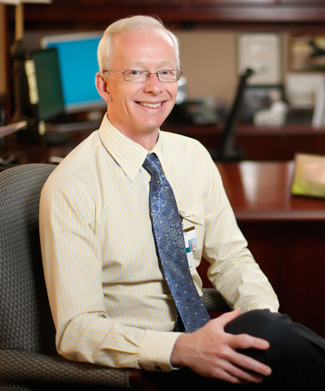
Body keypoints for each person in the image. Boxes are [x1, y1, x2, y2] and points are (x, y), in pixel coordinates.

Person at [39, 15, 325, 389]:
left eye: (167, 73)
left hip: (210, 340)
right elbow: (77, 330)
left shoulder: (192, 156)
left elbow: (232, 259)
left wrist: (266, 327)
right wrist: (182, 349)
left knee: (278, 342)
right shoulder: (72, 186)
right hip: (146, 368)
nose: (155, 88)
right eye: (136, 73)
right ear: (104, 85)